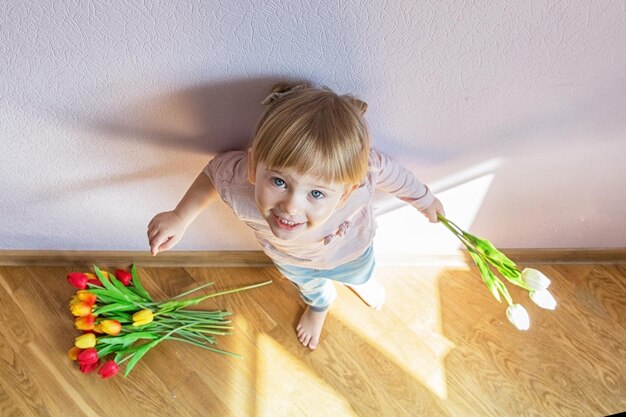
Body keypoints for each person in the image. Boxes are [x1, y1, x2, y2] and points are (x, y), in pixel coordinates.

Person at [147, 83, 445, 350]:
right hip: (291, 260)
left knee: (362, 272)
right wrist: (180, 216)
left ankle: (360, 283)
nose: (290, 206)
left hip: (352, 251)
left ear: (345, 192)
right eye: (279, 182)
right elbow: (214, 172)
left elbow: (394, 175)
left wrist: (424, 199)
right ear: (253, 166)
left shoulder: (362, 176)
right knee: (310, 289)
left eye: (316, 194)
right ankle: (320, 306)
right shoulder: (239, 182)